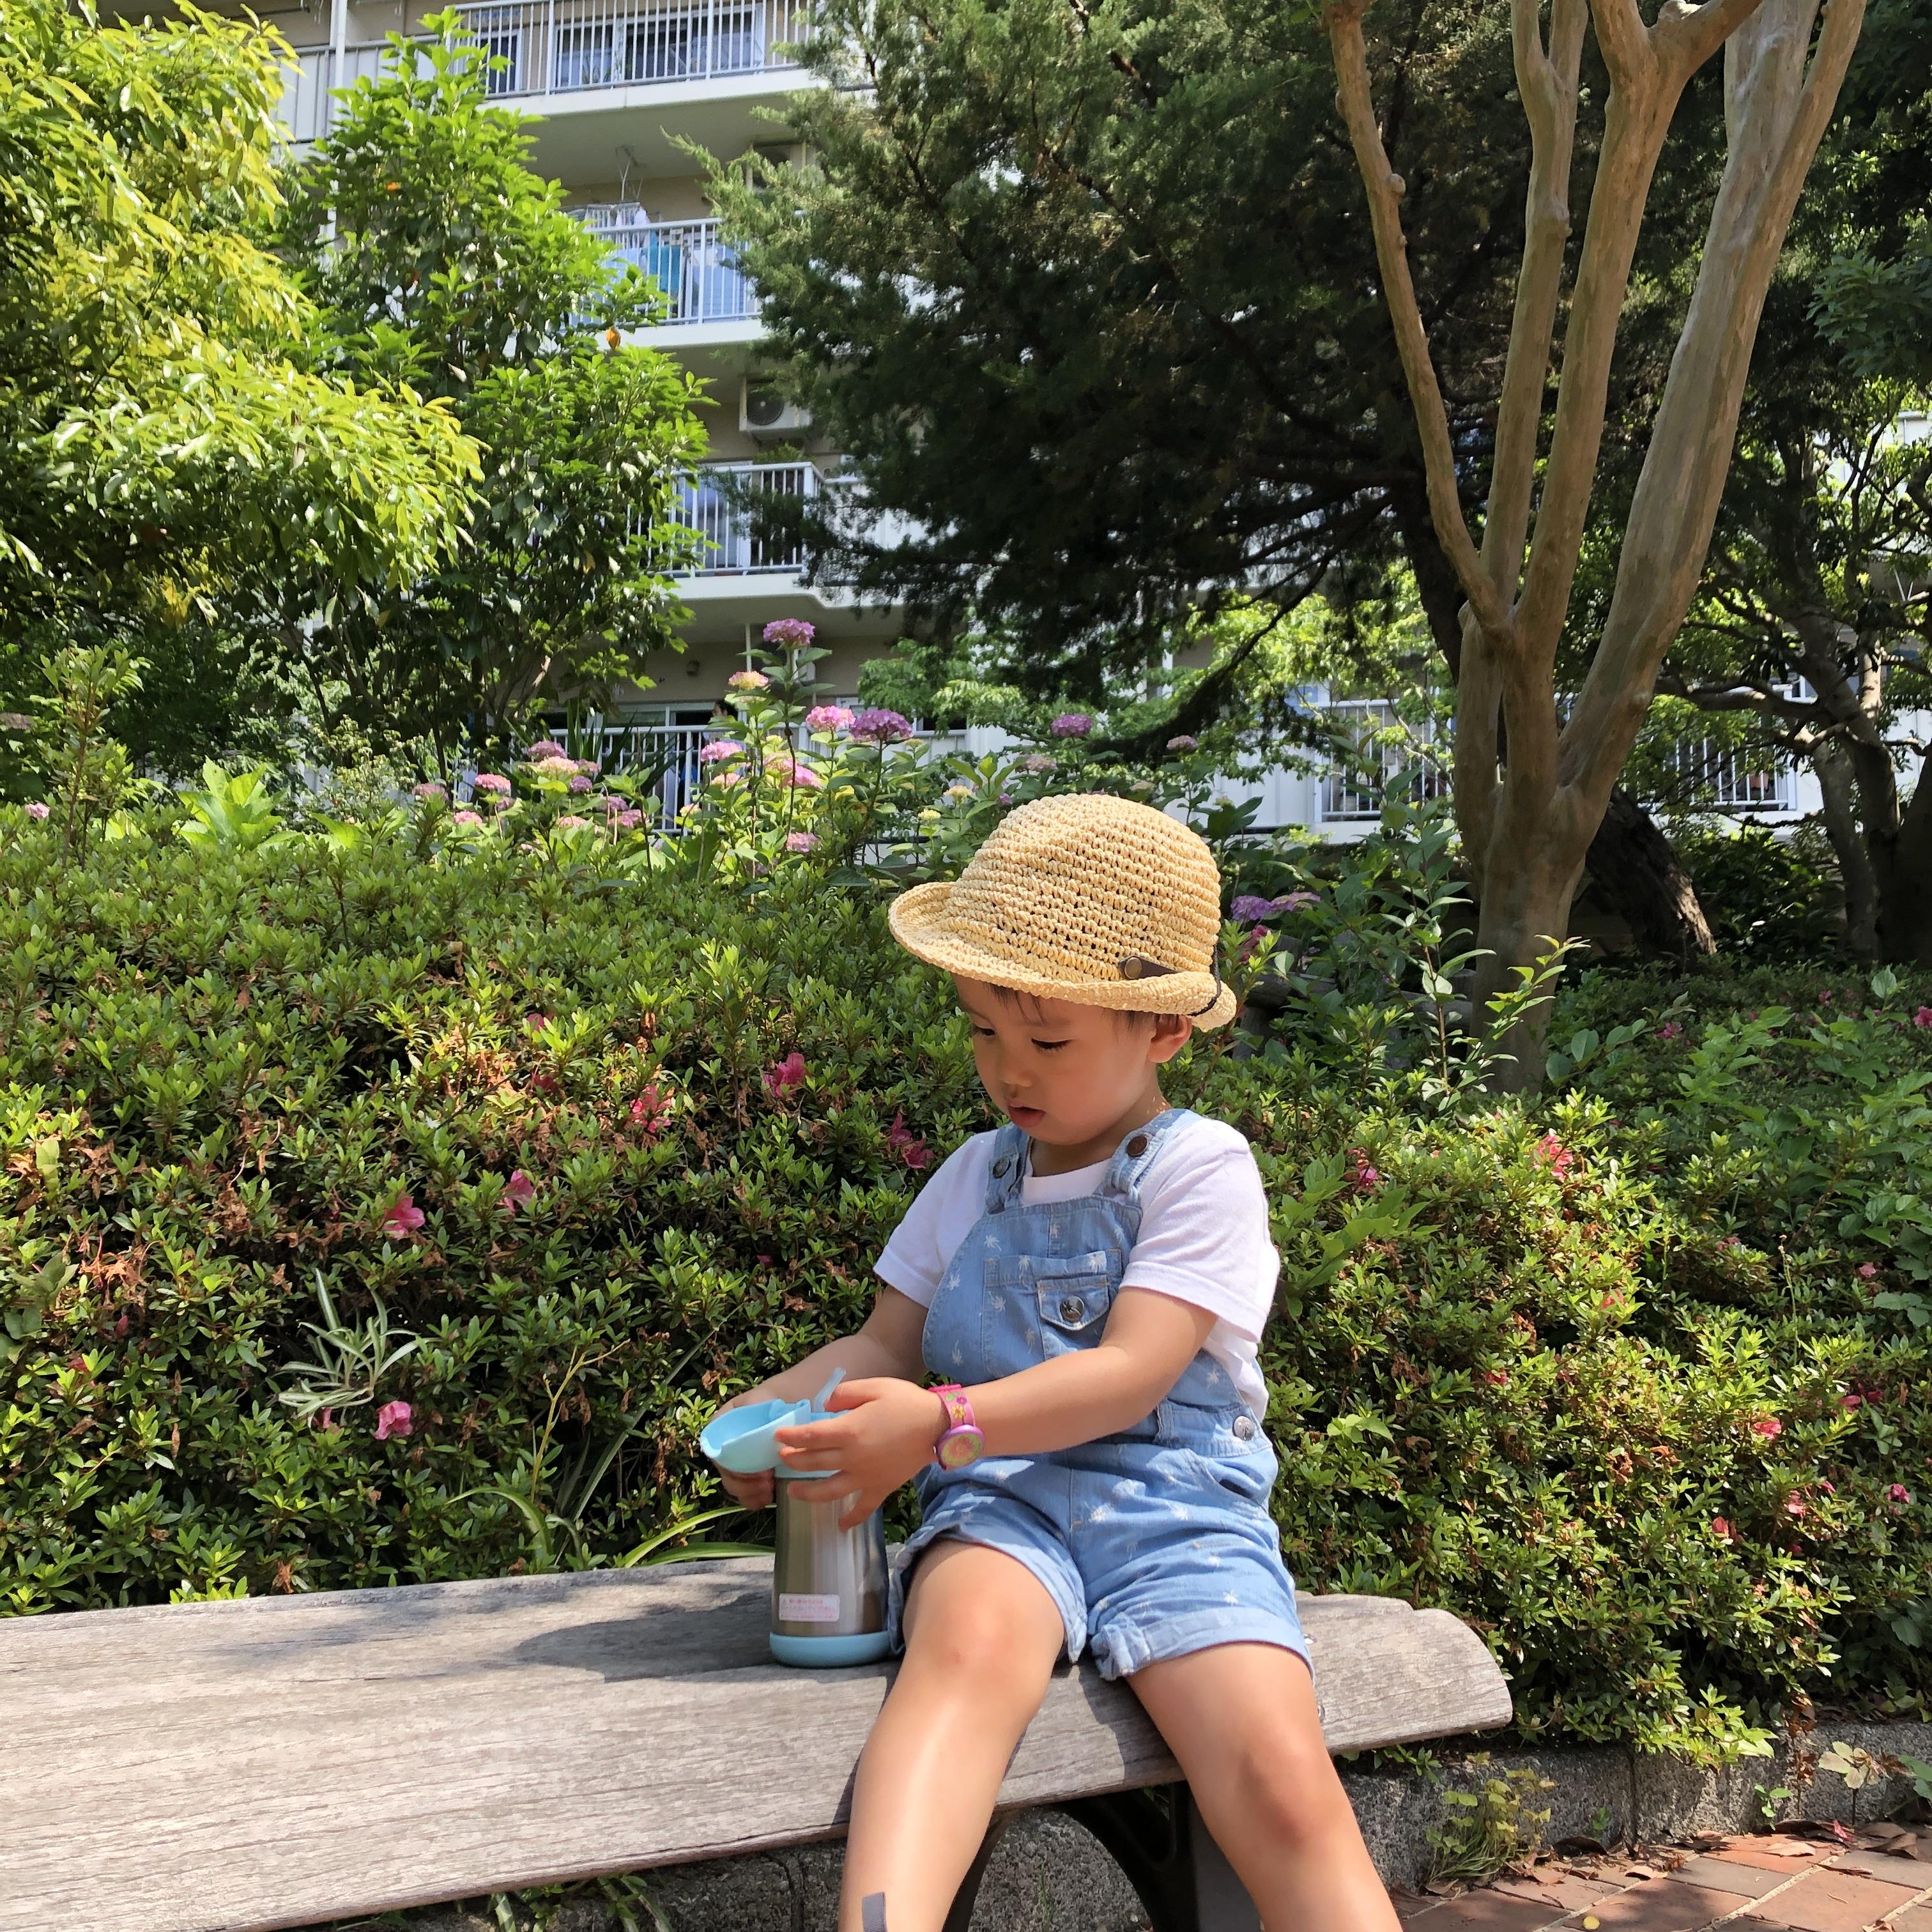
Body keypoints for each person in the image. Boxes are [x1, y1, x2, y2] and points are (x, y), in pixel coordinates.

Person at [708, 792, 1399, 1932]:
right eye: (984, 1030)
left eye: (1048, 1040)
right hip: (1002, 1506)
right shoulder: (974, 1175)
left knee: (1276, 1771)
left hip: (1177, 1514)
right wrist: (782, 1419)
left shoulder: (1199, 1169)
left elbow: (1132, 1373)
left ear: (1163, 1030)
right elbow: (881, 1342)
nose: (1007, 1071)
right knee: (962, 1661)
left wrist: (935, 1426)